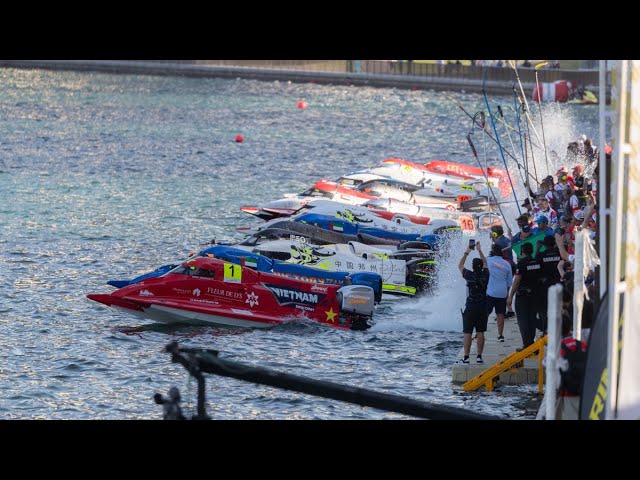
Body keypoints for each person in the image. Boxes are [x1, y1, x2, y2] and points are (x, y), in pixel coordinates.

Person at [457, 244, 490, 364]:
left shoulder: (469, 275)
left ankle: (466, 357)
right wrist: (480, 251)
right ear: (481, 267)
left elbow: (460, 265)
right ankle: (479, 356)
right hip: (482, 307)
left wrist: (467, 252)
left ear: (472, 267)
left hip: (470, 307)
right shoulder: (486, 275)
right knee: (480, 332)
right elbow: (486, 263)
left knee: (467, 332)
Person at [507, 242, 542, 351]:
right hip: (535, 295)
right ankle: (531, 343)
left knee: (523, 320)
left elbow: (517, 281)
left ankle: (527, 345)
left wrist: (510, 296)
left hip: (523, 296)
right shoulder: (537, 261)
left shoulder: (521, 264)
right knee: (532, 319)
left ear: (522, 252)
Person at [534, 234, 562, 334]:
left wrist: (537, 249)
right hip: (559, 283)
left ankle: (546, 331)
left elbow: (535, 265)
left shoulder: (541, 255)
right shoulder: (559, 253)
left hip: (546, 286)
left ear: (544, 245)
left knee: (546, 310)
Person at [486, 243, 513, 342]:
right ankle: (500, 335)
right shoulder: (507, 264)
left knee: (486, 313)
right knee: (500, 314)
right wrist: (507, 295)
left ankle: (480, 333)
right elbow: (509, 282)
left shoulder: (488, 260)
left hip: (491, 292)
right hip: (502, 293)